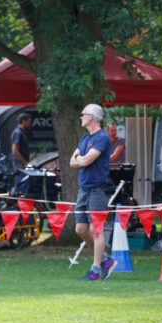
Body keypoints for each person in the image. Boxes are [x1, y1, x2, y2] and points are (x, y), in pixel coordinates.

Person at [70, 103, 116, 281]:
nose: (80, 117)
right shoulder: (84, 138)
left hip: (98, 189)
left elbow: (86, 160)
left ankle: (95, 270)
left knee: (96, 229)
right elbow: (72, 162)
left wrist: (80, 159)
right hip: (84, 188)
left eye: (83, 114)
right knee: (80, 229)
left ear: (91, 117)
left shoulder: (102, 138)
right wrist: (80, 160)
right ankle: (105, 260)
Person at [10, 112, 33, 195]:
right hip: (20, 166)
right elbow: (15, 151)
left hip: (23, 165)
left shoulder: (23, 132)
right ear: (23, 121)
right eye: (29, 122)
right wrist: (25, 163)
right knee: (21, 186)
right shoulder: (18, 133)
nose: (30, 124)